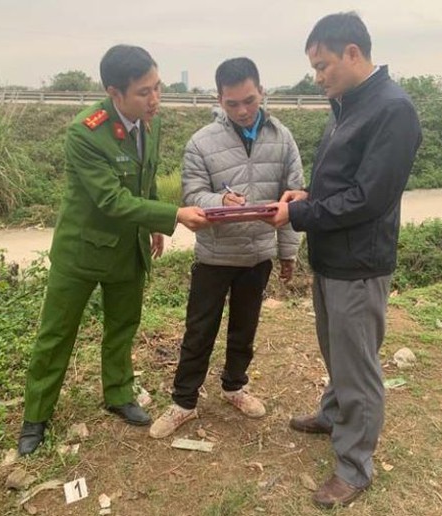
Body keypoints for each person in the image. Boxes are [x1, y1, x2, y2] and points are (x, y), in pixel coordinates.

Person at [17, 45, 209, 456]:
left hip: (128, 250)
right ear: (114, 93)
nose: (154, 99)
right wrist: (172, 214)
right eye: (144, 92)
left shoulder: (150, 123)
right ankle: (36, 415)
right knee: (56, 334)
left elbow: (145, 178)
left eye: (157, 87)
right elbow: (111, 200)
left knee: (123, 326)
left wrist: (153, 225)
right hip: (82, 253)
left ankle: (119, 393)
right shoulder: (85, 133)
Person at [268, 12, 422, 508]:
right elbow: (341, 183)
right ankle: (334, 414)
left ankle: (355, 465)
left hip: (359, 262)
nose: (317, 77)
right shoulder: (346, 104)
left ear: (352, 53)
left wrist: (300, 213)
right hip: (332, 255)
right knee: (336, 351)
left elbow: (368, 198)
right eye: (314, 68)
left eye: (322, 66)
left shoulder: (392, 110)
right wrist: (307, 195)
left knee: (358, 366)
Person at [149, 57, 304, 439]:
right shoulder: (201, 143)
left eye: (249, 100)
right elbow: (193, 194)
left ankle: (235, 386)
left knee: (244, 328)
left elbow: (294, 199)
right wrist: (219, 201)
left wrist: (288, 253)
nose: (243, 111)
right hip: (215, 256)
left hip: (258, 255)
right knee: (199, 330)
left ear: (261, 92)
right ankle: (184, 402)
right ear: (219, 99)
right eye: (232, 103)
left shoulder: (282, 138)